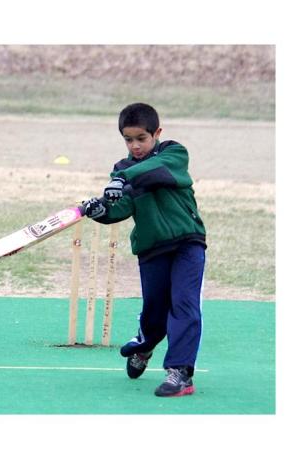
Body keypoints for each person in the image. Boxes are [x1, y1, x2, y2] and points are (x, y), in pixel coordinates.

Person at [81, 102, 206, 397]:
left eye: (141, 138)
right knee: (154, 313)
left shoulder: (174, 153)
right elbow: (121, 207)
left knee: (184, 304)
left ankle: (180, 373)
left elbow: (154, 171)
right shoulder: (121, 169)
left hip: (188, 242)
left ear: (157, 133)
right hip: (151, 249)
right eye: (128, 139)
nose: (135, 146)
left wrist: (122, 180)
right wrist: (102, 210)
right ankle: (144, 346)